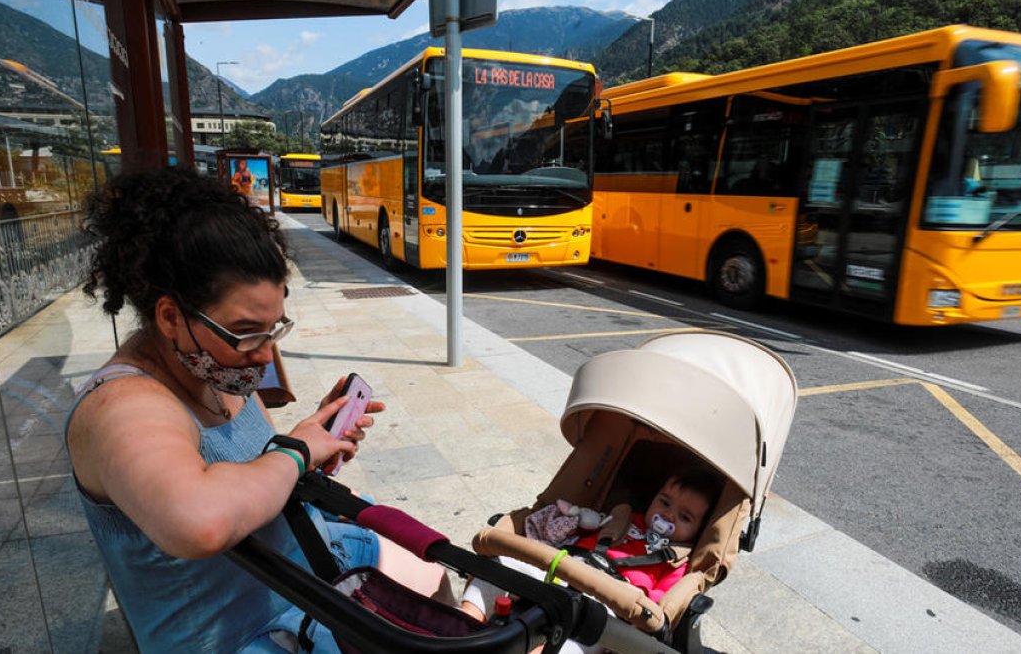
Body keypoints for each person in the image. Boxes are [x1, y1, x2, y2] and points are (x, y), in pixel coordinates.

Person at [66, 167, 446, 653]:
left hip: (303, 568)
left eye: (274, 328)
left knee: (439, 582)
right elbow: (199, 521)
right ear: (170, 317)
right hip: (233, 629)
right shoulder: (121, 407)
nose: (265, 355)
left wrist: (306, 441)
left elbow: (257, 465)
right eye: (247, 332)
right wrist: (294, 453)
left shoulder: (214, 366)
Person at [459, 467, 719, 652]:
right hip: (565, 567)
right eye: (664, 502)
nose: (668, 515)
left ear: (699, 530)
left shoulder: (678, 561)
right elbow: (573, 528)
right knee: (502, 564)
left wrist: (640, 617)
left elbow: (661, 606)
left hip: (608, 601)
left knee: (591, 637)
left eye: (685, 517)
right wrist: (569, 521)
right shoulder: (623, 517)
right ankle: (464, 623)